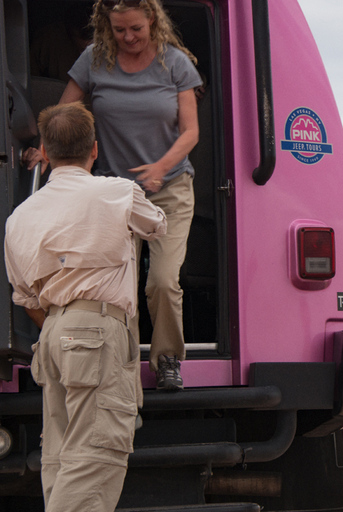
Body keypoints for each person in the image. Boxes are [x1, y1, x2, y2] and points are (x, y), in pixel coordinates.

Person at [24, 0, 202, 390]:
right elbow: (62, 111)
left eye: (135, 28)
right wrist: (45, 151)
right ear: (107, 26)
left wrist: (160, 167)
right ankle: (123, 365)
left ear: (152, 21)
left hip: (169, 188)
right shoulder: (94, 60)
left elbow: (190, 132)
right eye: (119, 29)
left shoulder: (174, 63)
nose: (128, 37)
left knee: (161, 281)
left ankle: (168, 359)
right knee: (119, 287)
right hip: (112, 194)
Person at [5, 102, 167, 512]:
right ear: (94, 149)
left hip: (53, 335)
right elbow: (157, 225)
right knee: (96, 454)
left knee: (61, 456)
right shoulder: (116, 192)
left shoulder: (20, 218)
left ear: (43, 150)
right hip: (97, 331)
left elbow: (25, 298)